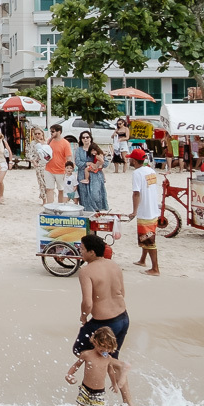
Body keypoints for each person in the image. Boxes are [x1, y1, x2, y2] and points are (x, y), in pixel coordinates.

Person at [73, 233, 131, 357]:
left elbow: (88, 303)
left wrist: (83, 316)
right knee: (111, 358)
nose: (80, 251)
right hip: (123, 319)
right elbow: (122, 293)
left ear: (92, 252)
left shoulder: (86, 271)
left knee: (79, 350)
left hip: (104, 324)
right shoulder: (114, 265)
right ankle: (121, 373)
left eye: (82, 249)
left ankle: (94, 375)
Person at [65, 326, 131, 406]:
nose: (105, 351)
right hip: (85, 389)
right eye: (102, 347)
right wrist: (69, 374)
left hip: (98, 392)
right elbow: (76, 365)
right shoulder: (86, 355)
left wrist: (114, 384)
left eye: (108, 348)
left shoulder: (107, 358)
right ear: (95, 342)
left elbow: (111, 371)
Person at [128, 148, 160, 276]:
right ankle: (142, 259)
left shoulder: (137, 173)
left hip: (145, 210)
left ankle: (155, 268)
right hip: (153, 209)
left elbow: (136, 193)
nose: (129, 160)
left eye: (131, 159)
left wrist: (134, 211)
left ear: (135, 161)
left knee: (149, 239)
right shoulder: (151, 171)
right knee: (146, 236)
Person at [75, 131, 109, 213]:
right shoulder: (79, 150)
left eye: (87, 137)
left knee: (96, 195)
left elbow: (106, 162)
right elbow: (77, 162)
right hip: (83, 175)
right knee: (84, 195)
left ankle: (97, 211)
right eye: (83, 137)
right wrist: (88, 163)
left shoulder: (95, 148)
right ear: (81, 139)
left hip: (96, 176)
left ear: (90, 138)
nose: (85, 139)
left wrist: (98, 165)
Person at [46, 124, 73, 202]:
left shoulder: (65, 143)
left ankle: (60, 206)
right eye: (51, 131)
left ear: (59, 132)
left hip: (60, 170)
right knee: (49, 189)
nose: (51, 133)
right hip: (49, 169)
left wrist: (68, 170)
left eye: (53, 131)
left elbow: (68, 158)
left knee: (61, 190)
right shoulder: (49, 141)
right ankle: (50, 206)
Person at [30, 127, 53, 204]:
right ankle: (44, 200)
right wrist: (34, 162)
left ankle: (50, 198)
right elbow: (30, 154)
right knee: (41, 182)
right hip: (39, 164)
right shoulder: (33, 143)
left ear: (42, 133)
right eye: (35, 134)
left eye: (39, 133)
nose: (37, 135)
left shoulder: (47, 141)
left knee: (49, 182)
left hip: (48, 164)